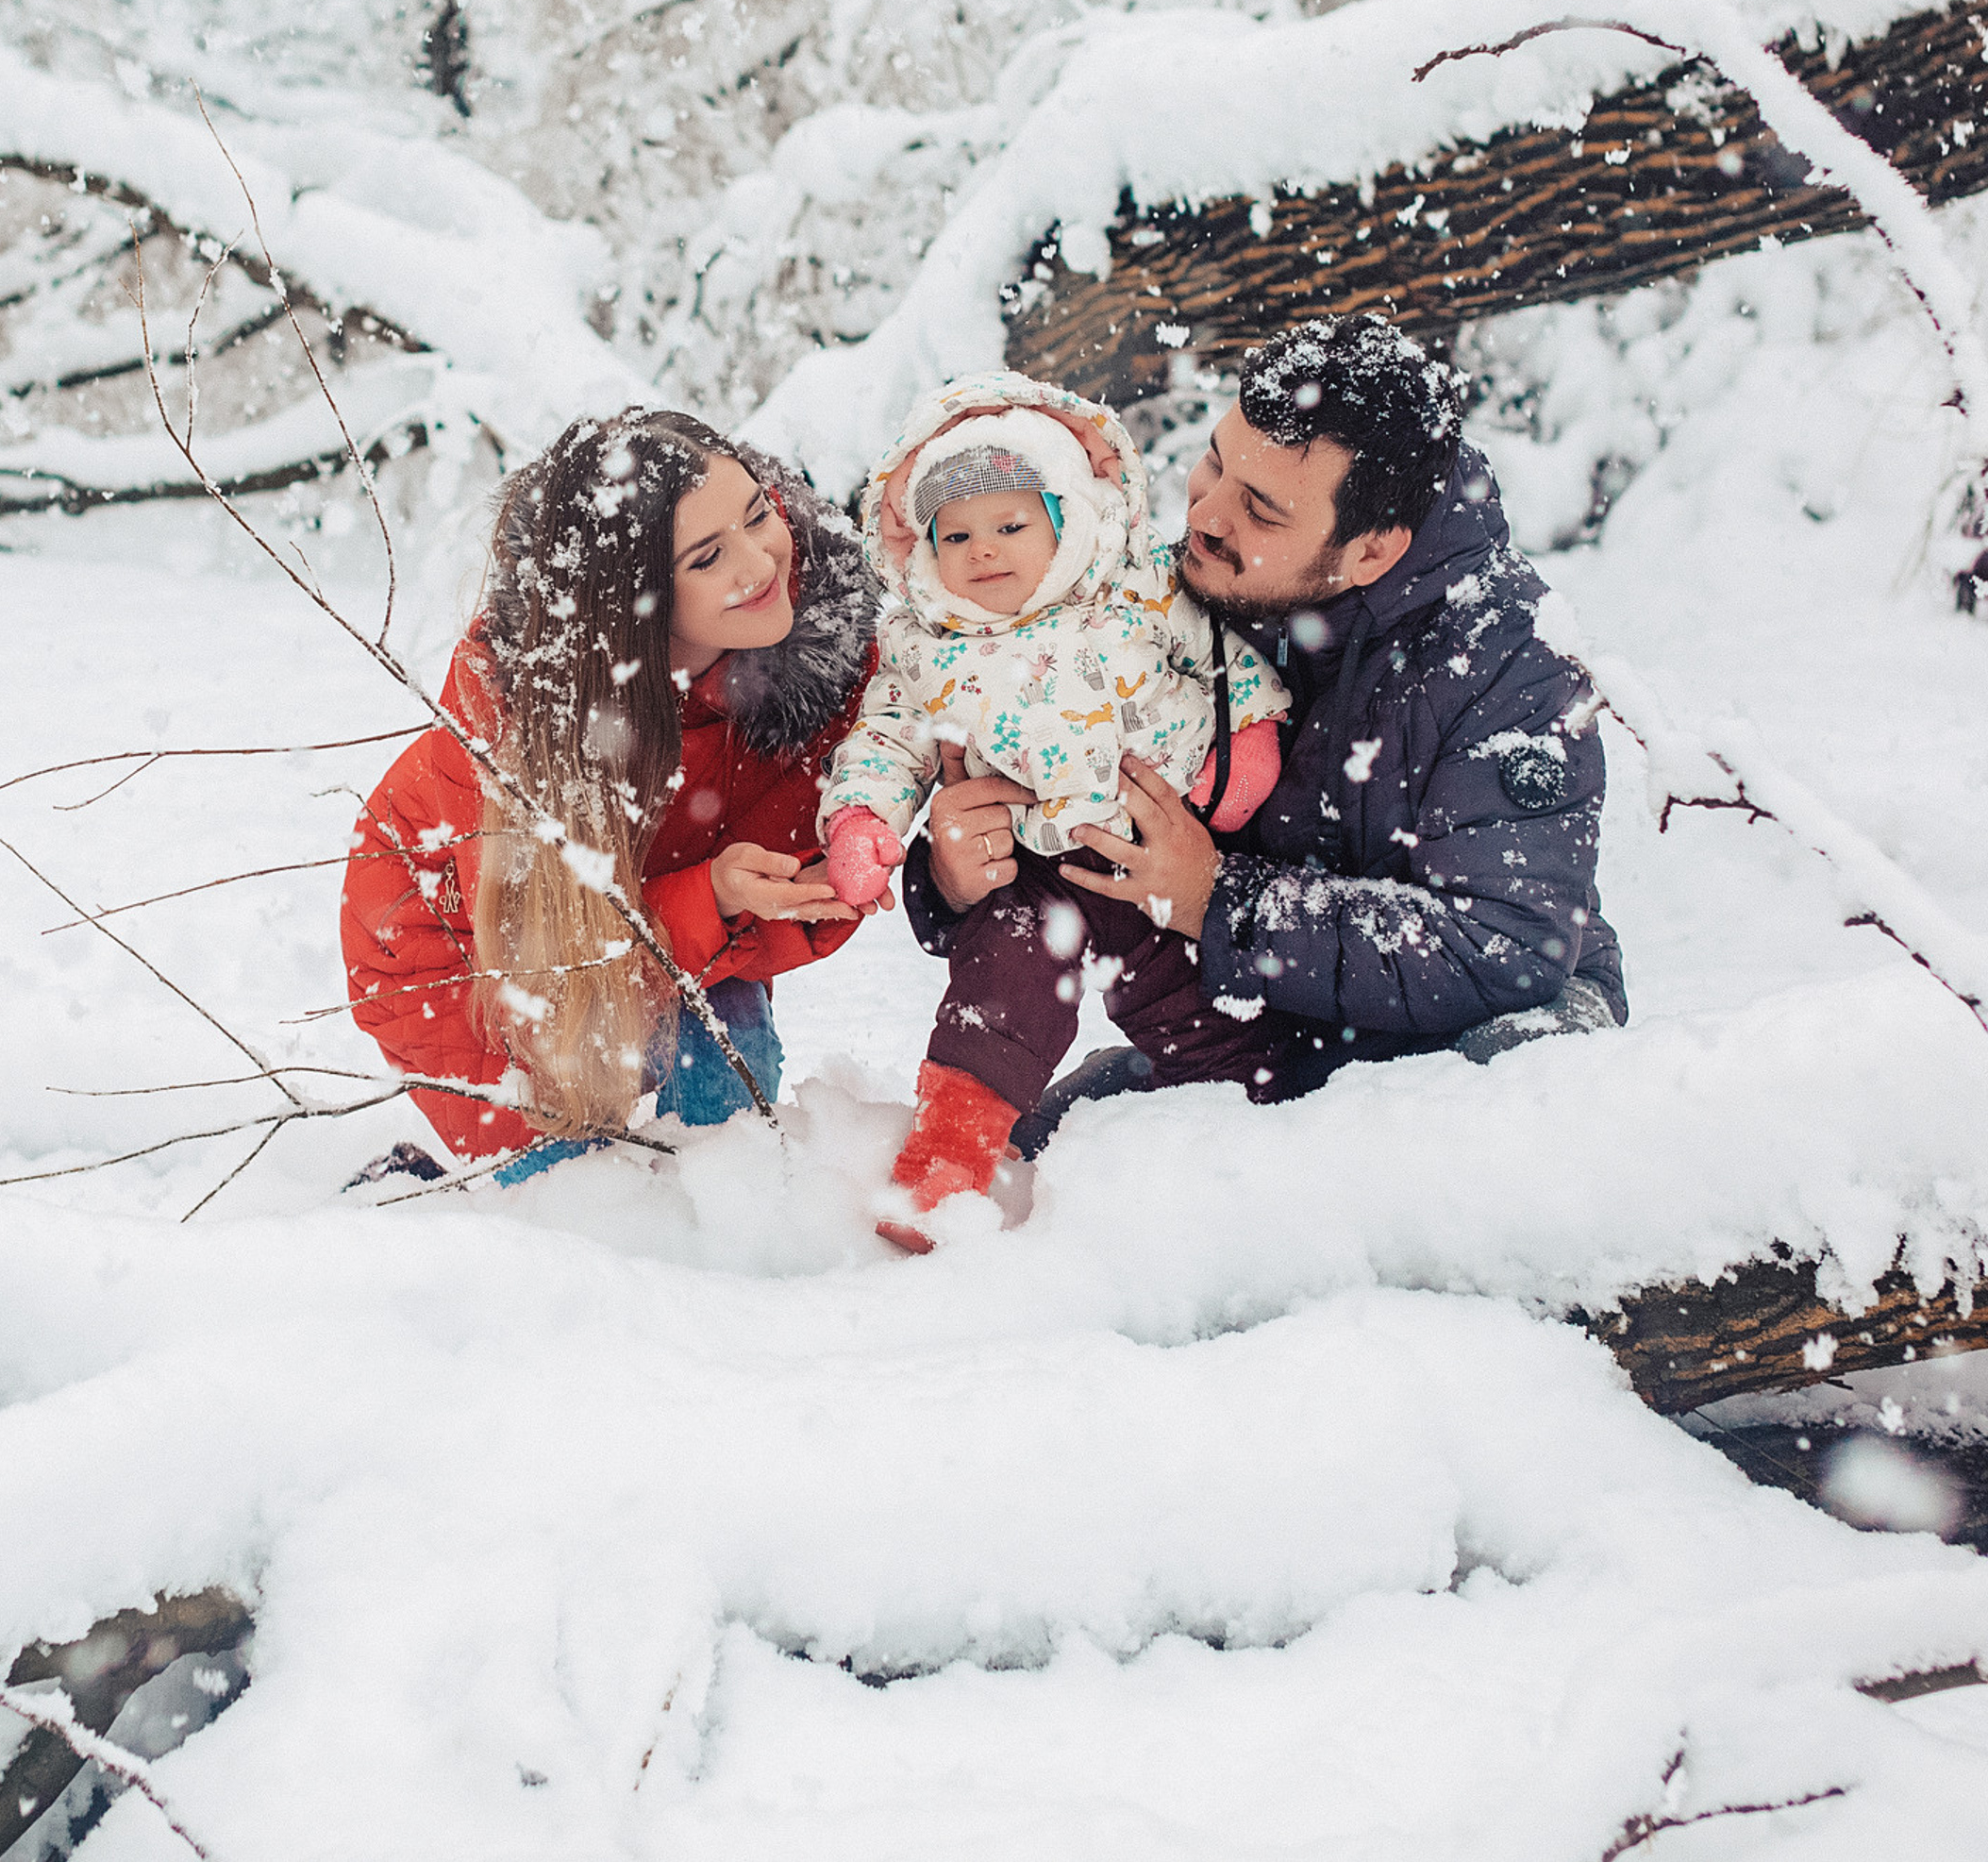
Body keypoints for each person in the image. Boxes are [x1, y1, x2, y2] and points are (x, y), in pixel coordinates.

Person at [899, 312, 1629, 1156]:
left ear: (1372, 550)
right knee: (1050, 1163)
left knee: (1488, 1121)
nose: (1205, 516)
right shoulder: (1170, 598)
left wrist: (1221, 900)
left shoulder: (1509, 661)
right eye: (1212, 462)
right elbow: (1062, 811)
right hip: (1262, 1024)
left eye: (1261, 510)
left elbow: (1504, 948)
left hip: (1480, 1036)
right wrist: (953, 876)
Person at [813, 373, 1297, 1251]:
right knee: (996, 999)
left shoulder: (1138, 588)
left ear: (1066, 518)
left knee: (1212, 1015)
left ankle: (1249, 1158)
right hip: (1034, 874)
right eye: (954, 533)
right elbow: (883, 743)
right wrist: (863, 825)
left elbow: (1226, 664)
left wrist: (1247, 748)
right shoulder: (923, 645)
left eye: (1010, 525)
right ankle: (945, 1166)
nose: (982, 551)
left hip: (1161, 846)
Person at [339, 410, 878, 1181]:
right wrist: (707, 900)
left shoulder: (826, 662)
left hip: (651, 934)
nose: (760, 563)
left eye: (759, 513)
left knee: (733, 1100)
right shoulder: (532, 726)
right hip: (465, 958)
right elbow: (557, 962)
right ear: (639, 604)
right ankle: (424, 1203)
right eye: (708, 557)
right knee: (564, 1192)